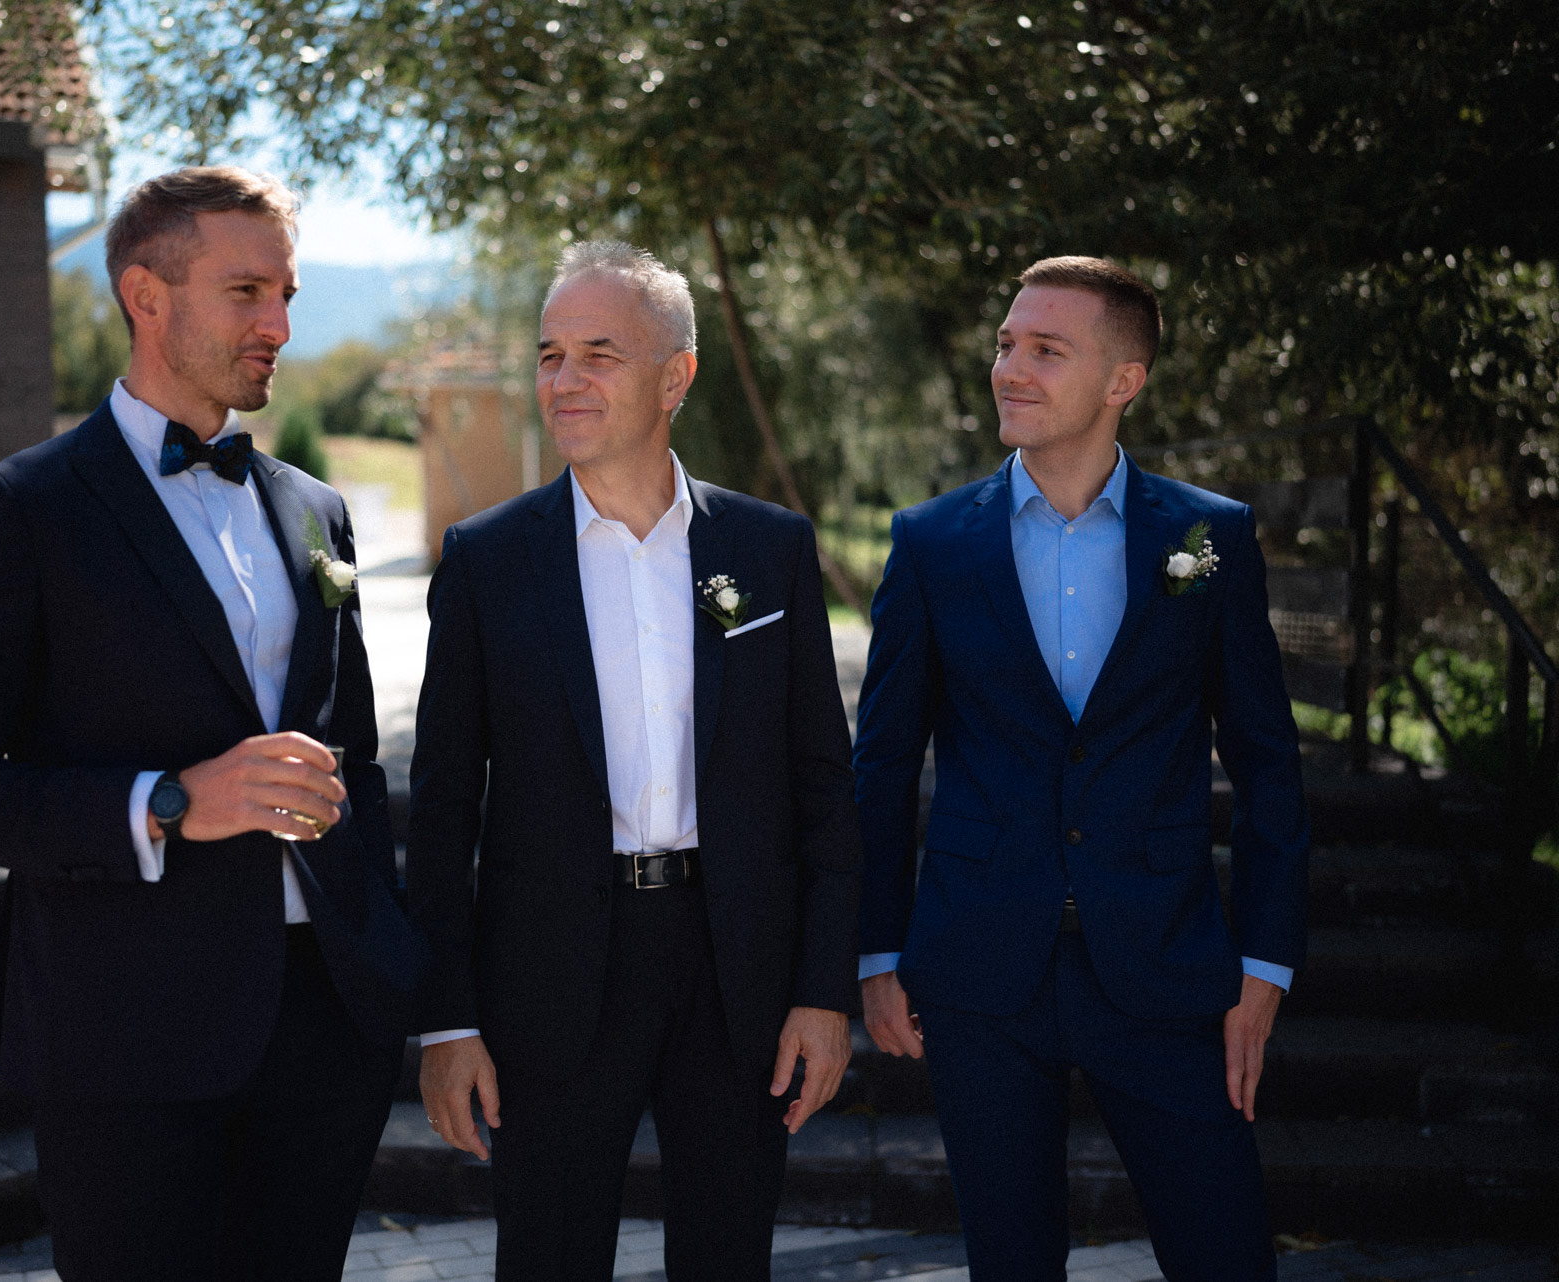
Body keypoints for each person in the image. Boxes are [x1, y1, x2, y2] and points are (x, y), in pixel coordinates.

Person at [0, 166, 417, 1282]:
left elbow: (355, 759)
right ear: (146, 296)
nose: (279, 326)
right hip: (124, 1039)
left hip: (322, 1031)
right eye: (246, 292)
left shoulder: (314, 509)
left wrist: (383, 967)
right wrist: (166, 801)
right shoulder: (22, 509)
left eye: (287, 295)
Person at [407, 240, 862, 1281]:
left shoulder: (770, 549)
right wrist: (447, 1021)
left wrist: (823, 990)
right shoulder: (486, 562)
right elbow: (441, 812)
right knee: (548, 1259)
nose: (564, 380)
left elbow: (823, 789)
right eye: (550, 355)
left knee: (729, 1256)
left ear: (676, 376)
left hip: (736, 969)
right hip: (551, 975)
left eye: (599, 354)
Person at [852, 256, 1308, 1279]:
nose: (1010, 368)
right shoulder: (930, 542)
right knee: (1010, 1262)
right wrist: (877, 950)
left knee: (1227, 1254)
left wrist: (1265, 965)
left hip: (1167, 963)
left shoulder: (1209, 538)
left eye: (1046, 350)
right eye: (1007, 344)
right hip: (979, 969)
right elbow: (880, 764)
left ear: (1122, 381)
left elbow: (1269, 765)